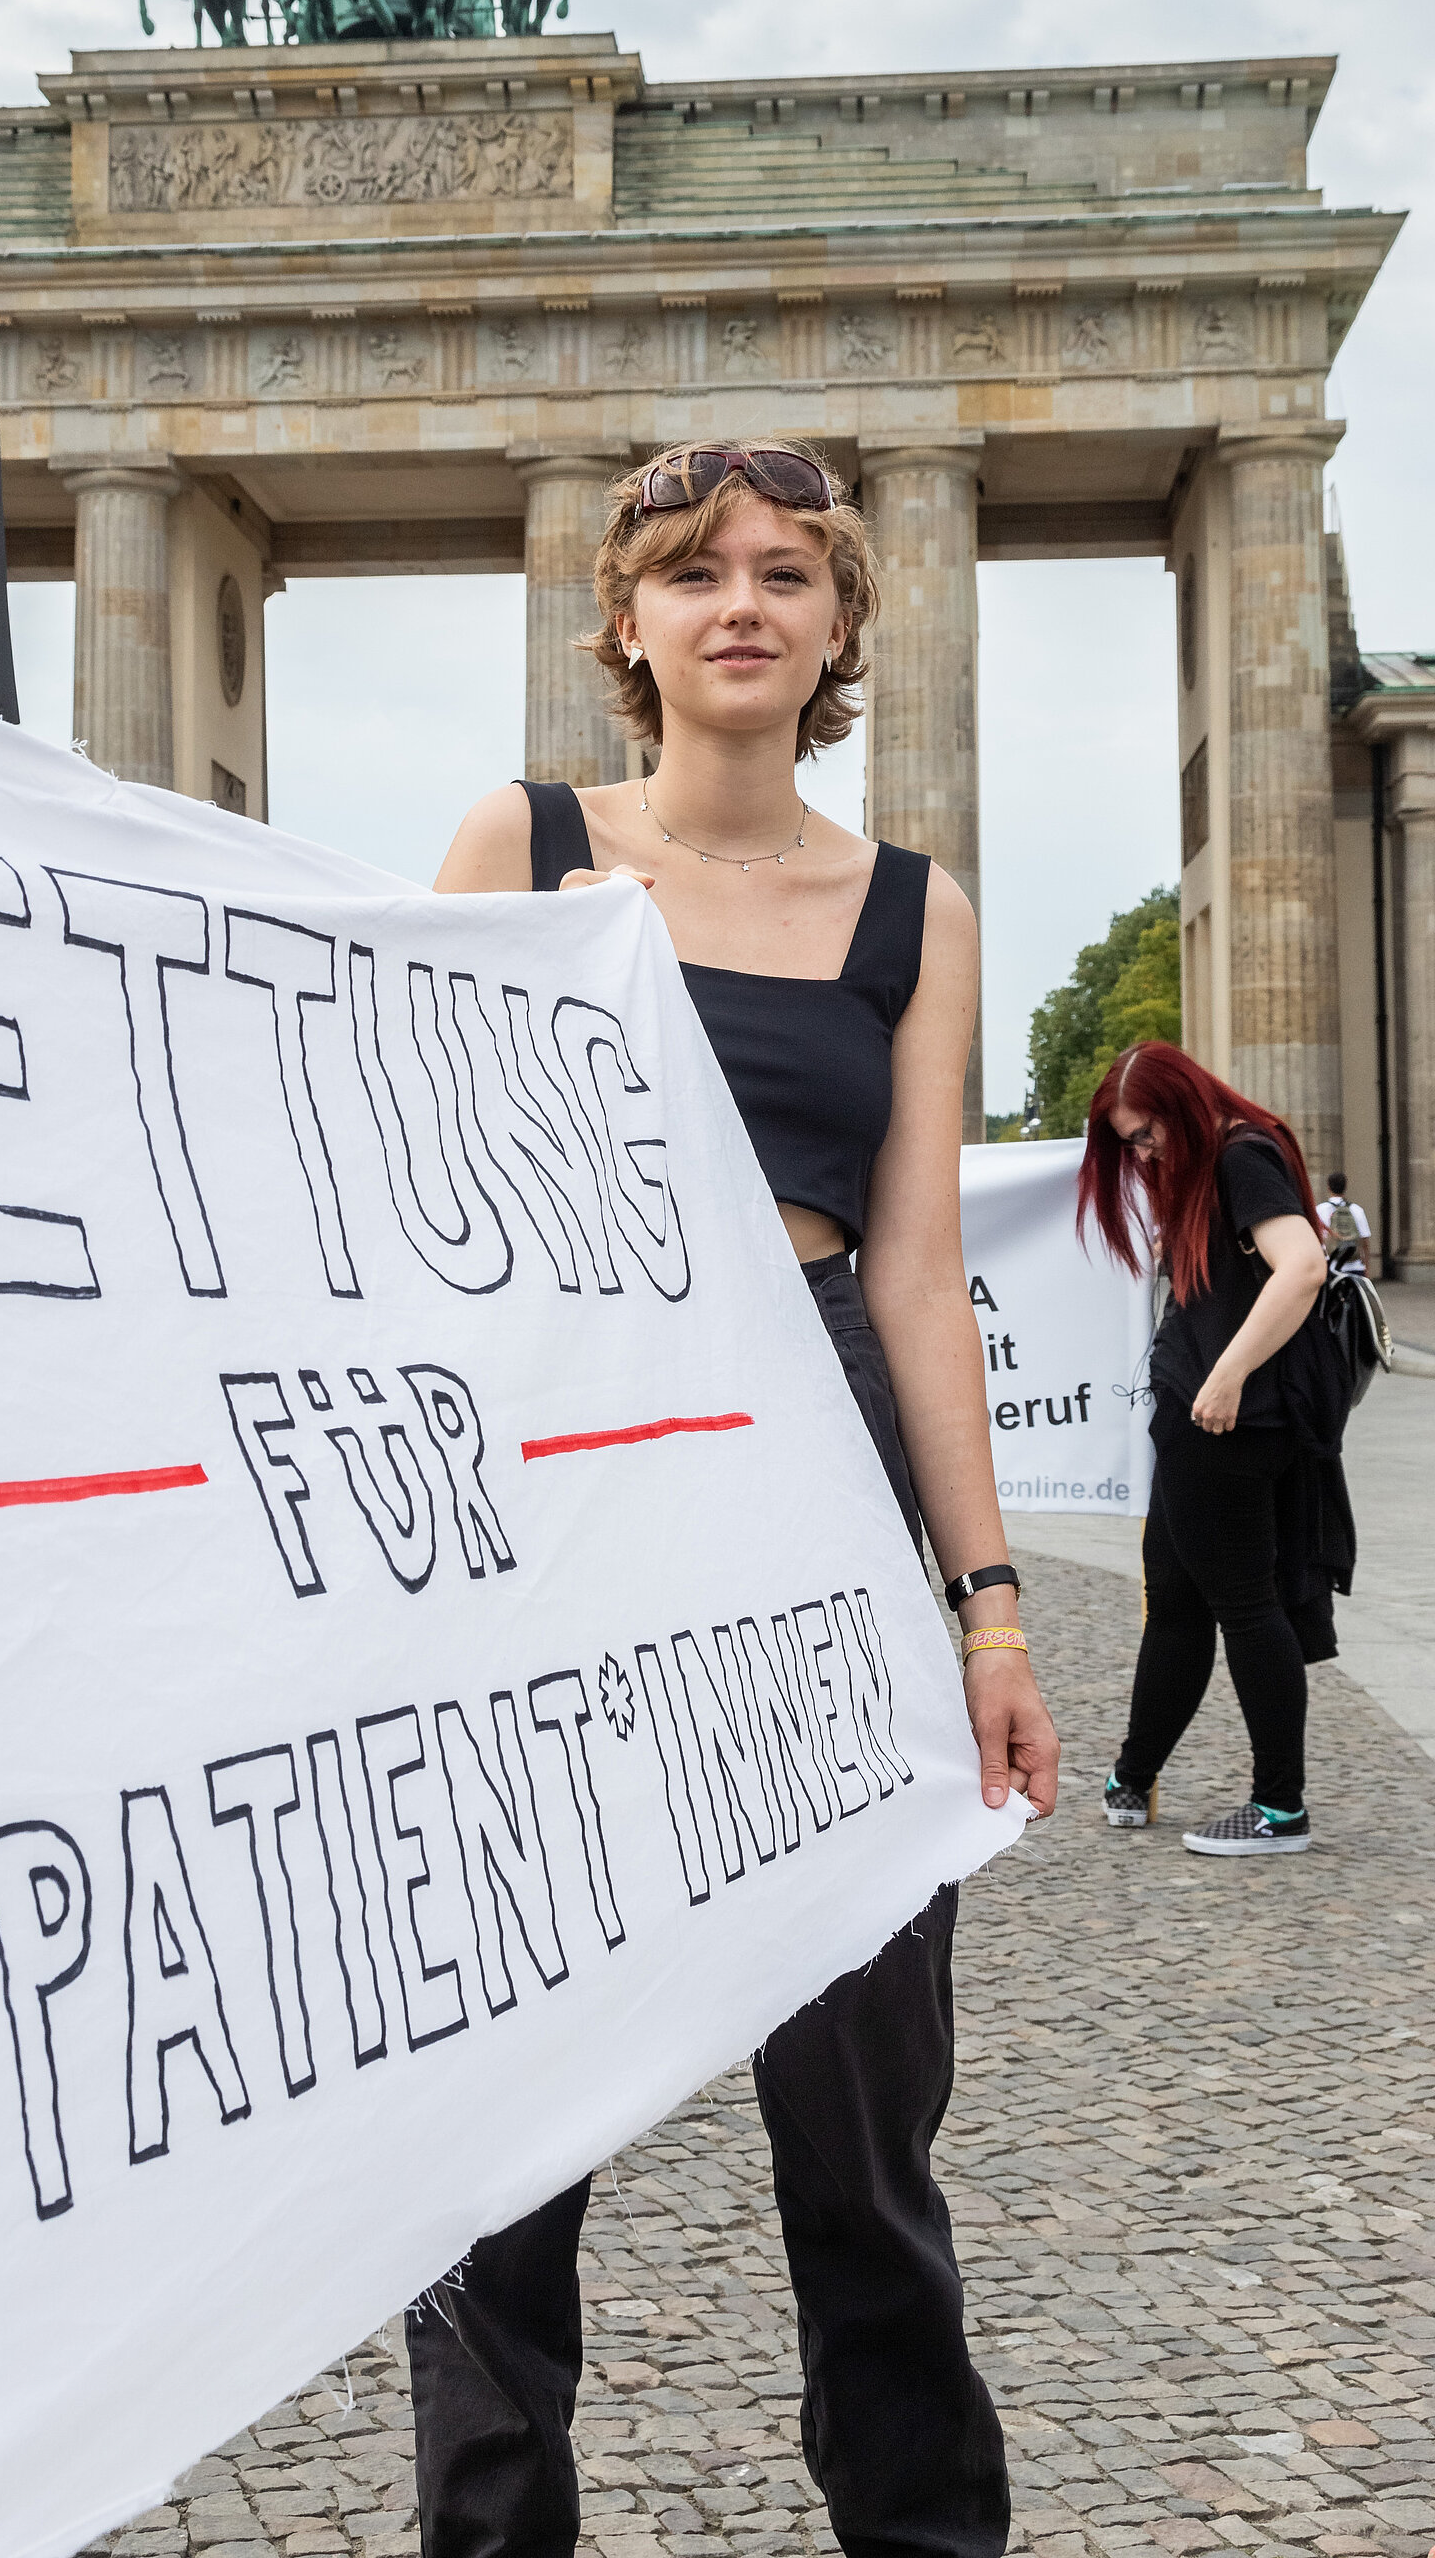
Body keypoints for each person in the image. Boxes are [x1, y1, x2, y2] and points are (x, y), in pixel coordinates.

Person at [417, 438, 1060, 2558]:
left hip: (826, 1466)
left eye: (787, 574)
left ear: (841, 628)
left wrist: (984, 1604)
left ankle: (921, 2532)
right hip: (573, 1477)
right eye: (692, 574)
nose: (740, 606)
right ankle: (494, 2534)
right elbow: (407, 1220)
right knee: (508, 2119)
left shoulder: (906, 905)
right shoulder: (512, 852)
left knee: (862, 2107)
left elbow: (913, 1270)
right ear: (625, 622)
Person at [1077, 1041, 1327, 1855]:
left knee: (1242, 1606)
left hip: (1225, 1421)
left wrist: (1225, 1373)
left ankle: (1280, 1807)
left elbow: (1303, 1268)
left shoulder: (1241, 1155)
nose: (1142, 1154)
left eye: (1146, 1134)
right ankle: (1133, 1773)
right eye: (1130, 1143)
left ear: (1183, 1106)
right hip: (1205, 1421)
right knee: (1178, 1600)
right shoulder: (1224, 1161)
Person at [1317, 1170, 1373, 1275]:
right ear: (1345, 1187)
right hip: (1355, 1266)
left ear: (1328, 1187)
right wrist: (1366, 1267)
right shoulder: (1356, 1210)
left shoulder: (1319, 1210)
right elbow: (1365, 1241)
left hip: (1331, 1268)